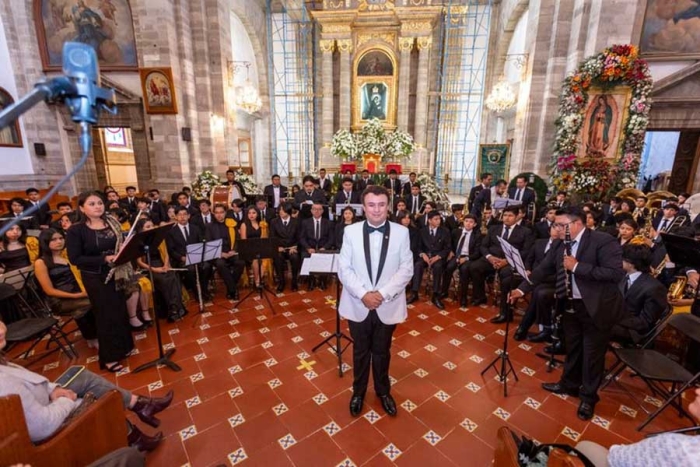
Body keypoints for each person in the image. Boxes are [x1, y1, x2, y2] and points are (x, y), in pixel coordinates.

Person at [509, 207, 625, 421]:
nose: (557, 229)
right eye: (555, 225)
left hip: (596, 308)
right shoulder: (560, 244)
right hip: (570, 304)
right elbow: (543, 269)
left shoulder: (603, 241)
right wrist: (521, 289)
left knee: (592, 355)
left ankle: (588, 398)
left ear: (577, 224)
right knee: (573, 347)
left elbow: (615, 273)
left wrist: (578, 266)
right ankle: (568, 384)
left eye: (561, 225)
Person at [0, 320, 171, 452]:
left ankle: (140, 406)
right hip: (45, 426)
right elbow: (42, 427)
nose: (1, 330)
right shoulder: (4, 384)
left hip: (42, 400)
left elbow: (33, 382)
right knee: (100, 396)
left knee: (80, 375)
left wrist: (54, 390)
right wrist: (66, 399)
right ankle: (136, 430)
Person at [337, 185, 413, 417]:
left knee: (382, 350)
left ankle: (383, 391)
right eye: (371, 205)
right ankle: (358, 392)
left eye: (381, 205)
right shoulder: (350, 232)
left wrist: (381, 294)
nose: (377, 210)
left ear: (388, 206)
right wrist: (363, 294)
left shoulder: (402, 232)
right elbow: (344, 268)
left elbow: (406, 269)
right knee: (360, 351)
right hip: (357, 303)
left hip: (387, 304)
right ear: (363, 207)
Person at [66, 192, 135, 373]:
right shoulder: (76, 230)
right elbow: (75, 259)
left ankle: (124, 346)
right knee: (106, 315)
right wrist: (104, 259)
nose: (98, 206)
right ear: (82, 208)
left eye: (99, 203)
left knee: (120, 309)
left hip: (116, 272)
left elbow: (118, 244)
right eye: (92, 204)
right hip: (95, 277)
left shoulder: (112, 223)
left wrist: (123, 249)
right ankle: (109, 357)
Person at [575, 387, 700, 467]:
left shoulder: (678, 447)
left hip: (617, 460)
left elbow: (617, 458)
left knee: (584, 446)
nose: (697, 391)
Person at [34, 228, 98, 349]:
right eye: (54, 239)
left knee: (102, 297)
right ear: (45, 242)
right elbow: (49, 290)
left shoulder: (68, 255)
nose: (59, 241)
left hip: (79, 291)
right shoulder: (41, 262)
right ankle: (92, 337)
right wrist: (76, 296)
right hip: (60, 300)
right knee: (90, 302)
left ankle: (102, 332)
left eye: (61, 238)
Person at [611, 243, 668, 344]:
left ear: (631, 263)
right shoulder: (624, 276)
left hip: (635, 332)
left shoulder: (655, 288)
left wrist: (614, 318)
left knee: (595, 327)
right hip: (620, 323)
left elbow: (645, 323)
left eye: (621, 258)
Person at [134, 219, 187, 322]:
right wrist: (154, 269)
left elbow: (166, 254)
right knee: (164, 280)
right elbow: (139, 262)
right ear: (141, 230)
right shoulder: (139, 242)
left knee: (173, 276)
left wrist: (166, 265)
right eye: (148, 227)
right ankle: (175, 308)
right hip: (149, 267)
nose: (152, 228)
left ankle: (174, 308)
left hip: (162, 263)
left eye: (152, 225)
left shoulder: (158, 238)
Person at [165, 206, 212, 304]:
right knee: (191, 269)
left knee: (207, 266)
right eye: (179, 215)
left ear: (189, 216)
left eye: (184, 214)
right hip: (182, 259)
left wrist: (199, 255)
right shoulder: (171, 232)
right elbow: (171, 250)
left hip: (197, 257)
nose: (182, 217)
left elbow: (201, 243)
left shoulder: (196, 228)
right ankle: (197, 293)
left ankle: (204, 290)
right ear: (176, 217)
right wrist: (182, 258)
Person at [407, 211, 451, 310]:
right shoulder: (422, 231)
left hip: (438, 257)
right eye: (436, 219)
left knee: (438, 267)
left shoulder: (445, 231)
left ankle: (436, 295)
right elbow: (418, 247)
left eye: (439, 219)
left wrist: (439, 256)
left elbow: (447, 248)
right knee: (418, 265)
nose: (438, 221)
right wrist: (423, 254)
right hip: (425, 256)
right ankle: (414, 293)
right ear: (430, 220)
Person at [441, 214, 482, 308]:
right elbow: (449, 244)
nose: (468, 224)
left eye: (471, 222)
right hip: (456, 255)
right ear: (463, 222)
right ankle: (444, 291)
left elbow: (477, 253)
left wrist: (466, 258)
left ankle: (463, 297)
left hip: (468, 257)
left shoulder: (477, 236)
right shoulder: (456, 232)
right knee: (449, 267)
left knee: (465, 271)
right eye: (466, 221)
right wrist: (451, 251)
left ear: (475, 224)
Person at [205, 204, 245, 300]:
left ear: (225, 213)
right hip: (218, 254)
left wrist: (233, 250)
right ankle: (233, 289)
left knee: (241, 262)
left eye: (221, 212)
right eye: (217, 213)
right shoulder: (209, 226)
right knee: (220, 263)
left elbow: (237, 239)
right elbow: (208, 243)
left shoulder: (231, 223)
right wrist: (221, 253)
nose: (219, 215)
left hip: (231, 252)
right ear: (213, 214)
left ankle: (230, 288)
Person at [270, 202, 301, 293]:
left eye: (282, 210)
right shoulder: (274, 222)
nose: (280, 212)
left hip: (292, 247)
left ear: (288, 211)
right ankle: (281, 282)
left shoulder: (296, 222)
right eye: (279, 210)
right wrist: (277, 247)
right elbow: (272, 237)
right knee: (278, 257)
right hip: (280, 248)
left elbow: (300, 237)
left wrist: (295, 247)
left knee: (295, 257)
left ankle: (294, 281)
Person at [239, 206, 264, 288]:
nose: (251, 215)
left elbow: (264, 238)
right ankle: (258, 283)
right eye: (249, 213)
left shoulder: (262, 224)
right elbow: (244, 241)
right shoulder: (244, 225)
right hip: (248, 250)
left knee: (266, 260)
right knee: (256, 260)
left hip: (261, 248)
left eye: (253, 213)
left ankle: (258, 281)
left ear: (257, 214)